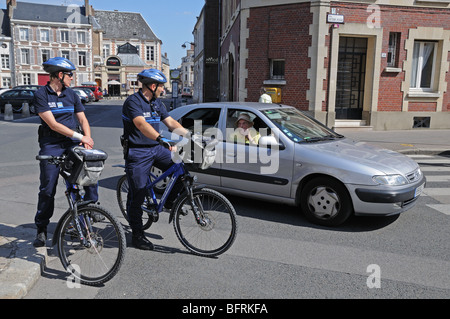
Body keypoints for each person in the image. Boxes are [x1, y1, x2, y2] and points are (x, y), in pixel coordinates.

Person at [122, 68, 188, 250]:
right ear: (152, 86)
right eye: (161, 87)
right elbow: (141, 124)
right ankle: (137, 235)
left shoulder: (157, 103)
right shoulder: (132, 102)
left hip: (156, 149)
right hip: (138, 152)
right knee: (138, 194)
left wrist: (190, 136)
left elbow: (170, 122)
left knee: (182, 169)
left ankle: (169, 201)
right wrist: (160, 139)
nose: (163, 90)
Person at [33, 57, 96, 247]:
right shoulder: (41, 94)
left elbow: (83, 119)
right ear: (59, 75)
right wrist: (80, 137)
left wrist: (88, 139)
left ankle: (85, 216)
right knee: (47, 189)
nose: (72, 78)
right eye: (70, 75)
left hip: (71, 144)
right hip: (51, 145)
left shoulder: (72, 94)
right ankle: (41, 228)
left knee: (86, 179)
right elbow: (53, 124)